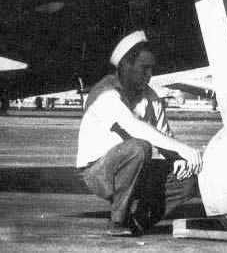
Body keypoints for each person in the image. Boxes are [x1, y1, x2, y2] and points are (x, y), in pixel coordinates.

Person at [76, 30, 203, 237]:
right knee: (139, 147)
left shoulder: (151, 97)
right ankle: (118, 221)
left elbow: (165, 136)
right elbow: (133, 126)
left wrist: (178, 159)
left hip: (136, 167)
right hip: (99, 172)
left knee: (188, 180)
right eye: (144, 68)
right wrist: (183, 149)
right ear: (126, 65)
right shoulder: (105, 92)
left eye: (151, 68)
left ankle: (139, 222)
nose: (149, 74)